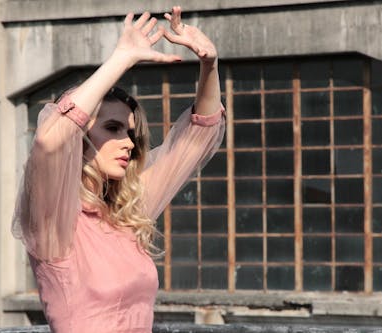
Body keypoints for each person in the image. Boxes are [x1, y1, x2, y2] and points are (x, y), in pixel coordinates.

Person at [12, 6, 225, 333]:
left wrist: (209, 65)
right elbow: (50, 141)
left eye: (129, 132)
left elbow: (196, 139)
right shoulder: (53, 222)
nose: (128, 142)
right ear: (80, 138)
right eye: (112, 128)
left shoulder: (126, 212)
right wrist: (122, 58)